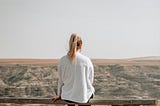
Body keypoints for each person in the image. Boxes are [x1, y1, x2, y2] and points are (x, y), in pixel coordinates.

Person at [52, 33, 95, 106]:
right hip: (83, 96)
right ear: (80, 45)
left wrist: (59, 94)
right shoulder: (86, 60)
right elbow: (90, 80)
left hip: (68, 96)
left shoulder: (63, 60)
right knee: (86, 94)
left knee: (71, 99)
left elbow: (61, 80)